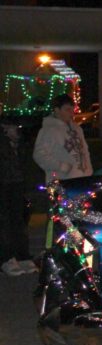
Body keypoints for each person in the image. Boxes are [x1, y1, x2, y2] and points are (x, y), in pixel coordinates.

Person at [1, 116, 37, 276]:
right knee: (4, 223)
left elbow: (25, 165)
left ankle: (22, 256)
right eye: (16, 128)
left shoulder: (20, 144)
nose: (19, 131)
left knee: (19, 221)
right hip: (3, 185)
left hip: (17, 184)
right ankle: (6, 259)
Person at [33, 94, 93, 181]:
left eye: (72, 109)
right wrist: (61, 166)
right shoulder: (49, 130)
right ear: (57, 110)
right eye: (67, 110)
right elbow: (39, 155)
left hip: (83, 178)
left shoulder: (77, 129)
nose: (71, 113)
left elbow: (85, 151)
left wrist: (89, 170)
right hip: (62, 180)